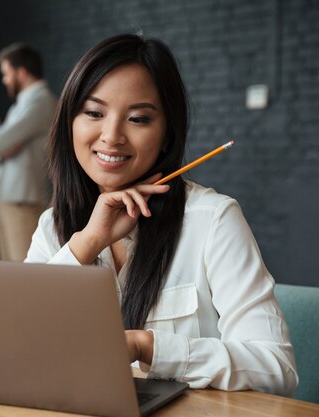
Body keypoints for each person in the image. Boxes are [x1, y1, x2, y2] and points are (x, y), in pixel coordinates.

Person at [25, 34, 298, 395]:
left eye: (138, 119)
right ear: (69, 121)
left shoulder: (212, 220)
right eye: (94, 113)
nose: (111, 136)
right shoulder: (53, 226)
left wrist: (147, 347)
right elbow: (23, 342)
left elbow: (276, 368)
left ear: (167, 133)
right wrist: (88, 242)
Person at [0, 43, 57, 261]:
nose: (4, 80)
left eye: (6, 74)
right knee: (10, 270)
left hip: (23, 200)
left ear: (22, 72)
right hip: (10, 198)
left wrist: (4, 146)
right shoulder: (23, 103)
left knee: (23, 272)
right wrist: (4, 146)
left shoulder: (42, 101)